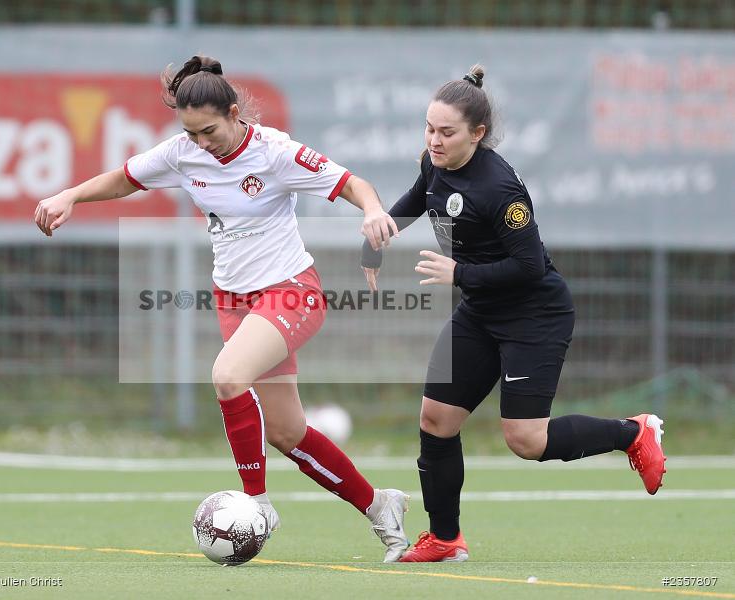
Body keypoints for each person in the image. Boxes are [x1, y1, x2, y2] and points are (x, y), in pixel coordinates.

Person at [35, 55, 410, 562]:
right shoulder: (182, 153)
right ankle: (380, 506)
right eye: (191, 134)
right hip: (233, 300)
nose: (201, 143)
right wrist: (71, 196)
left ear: (235, 113)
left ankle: (257, 505)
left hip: (291, 291)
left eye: (209, 130)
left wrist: (372, 211)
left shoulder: (275, 151)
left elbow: (352, 184)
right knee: (285, 432)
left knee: (228, 376)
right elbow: (124, 178)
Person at [362, 64, 667, 563]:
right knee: (436, 418)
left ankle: (633, 432)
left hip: (534, 314)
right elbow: (420, 197)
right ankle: (444, 538)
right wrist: (378, 236)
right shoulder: (434, 161)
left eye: (447, 132)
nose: (434, 141)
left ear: (477, 134)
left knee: (526, 440)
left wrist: (460, 274)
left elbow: (529, 267)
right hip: (480, 312)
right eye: (429, 128)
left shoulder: (501, 190)